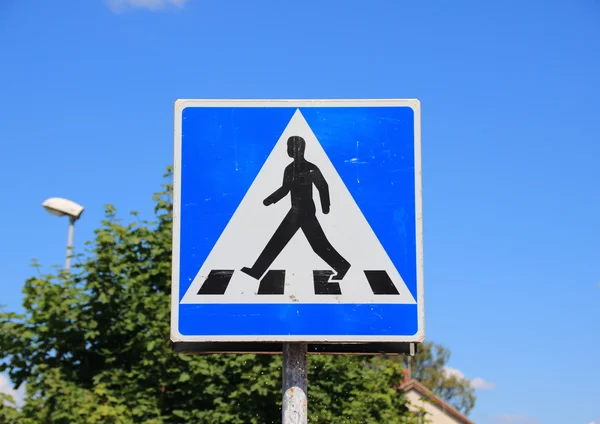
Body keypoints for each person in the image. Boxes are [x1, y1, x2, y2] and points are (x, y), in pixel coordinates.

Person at [241, 135, 351, 281]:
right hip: (296, 210)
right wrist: (271, 199)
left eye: (291, 147)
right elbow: (285, 189)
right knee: (284, 241)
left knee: (314, 244)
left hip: (305, 211)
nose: (290, 150)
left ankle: (342, 266)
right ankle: (256, 271)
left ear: (298, 149)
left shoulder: (311, 168)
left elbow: (323, 186)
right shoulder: (289, 169)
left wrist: (326, 206)